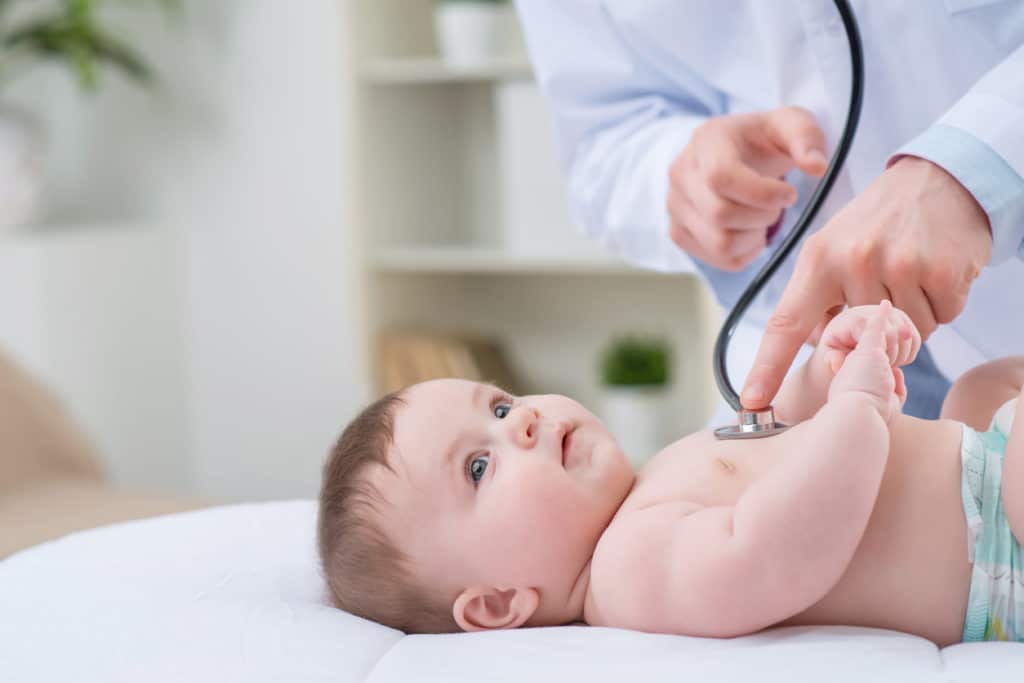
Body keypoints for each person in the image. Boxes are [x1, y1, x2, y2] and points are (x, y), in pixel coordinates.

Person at [318, 301, 1024, 644]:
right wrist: (859, 408)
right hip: (996, 549)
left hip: (985, 474)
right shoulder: (628, 571)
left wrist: (824, 372)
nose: (522, 421)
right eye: (479, 464)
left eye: (501, 405)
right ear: (500, 603)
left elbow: (778, 436)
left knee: (981, 387)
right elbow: (773, 548)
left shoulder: (649, 481)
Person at [512, 1, 1024, 421]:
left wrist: (981, 163)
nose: (524, 427)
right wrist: (679, 173)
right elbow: (602, 140)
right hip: (824, 336)